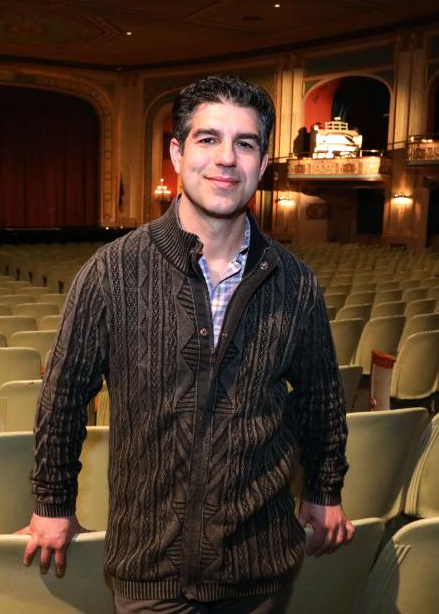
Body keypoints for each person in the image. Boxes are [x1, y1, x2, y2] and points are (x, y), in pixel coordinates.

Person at [20, 75, 353, 613]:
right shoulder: (111, 271)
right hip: (150, 565)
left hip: (258, 565)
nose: (226, 158)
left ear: (262, 164)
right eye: (207, 139)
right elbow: (62, 398)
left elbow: (321, 400)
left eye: (244, 144)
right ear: (177, 153)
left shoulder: (295, 280)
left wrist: (324, 488)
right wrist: (52, 503)